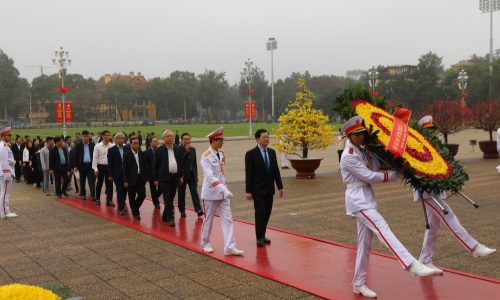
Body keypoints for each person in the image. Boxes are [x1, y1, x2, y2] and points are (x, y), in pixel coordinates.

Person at [340, 116, 437, 298]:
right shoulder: (348, 156)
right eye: (358, 135)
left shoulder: (361, 150)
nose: (362, 137)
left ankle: (358, 283)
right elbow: (369, 176)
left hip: (366, 199)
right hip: (358, 201)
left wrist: (376, 152)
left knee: (365, 245)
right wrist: (394, 174)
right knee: (382, 228)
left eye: (362, 134)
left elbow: (374, 167)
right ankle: (409, 263)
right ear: (349, 136)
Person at [412, 116, 496, 274]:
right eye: (427, 131)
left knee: (433, 229)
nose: (431, 134)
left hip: (435, 191)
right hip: (427, 193)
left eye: (432, 130)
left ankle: (424, 260)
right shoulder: (417, 149)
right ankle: (474, 247)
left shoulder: (434, 148)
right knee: (449, 216)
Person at [200, 127, 244, 256]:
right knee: (208, 220)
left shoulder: (222, 153)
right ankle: (205, 243)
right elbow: (210, 176)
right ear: (213, 140)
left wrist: (225, 189)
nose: (222, 142)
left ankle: (230, 246)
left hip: (224, 192)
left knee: (228, 219)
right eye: (220, 140)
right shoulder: (205, 156)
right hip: (211, 193)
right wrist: (223, 189)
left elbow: (221, 173)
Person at [245, 129, 284, 247]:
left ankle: (263, 233)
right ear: (257, 139)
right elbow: (249, 174)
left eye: (267, 137)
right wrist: (249, 191)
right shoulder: (251, 154)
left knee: (267, 212)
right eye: (264, 137)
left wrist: (280, 187)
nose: (266, 139)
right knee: (260, 212)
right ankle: (259, 237)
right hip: (257, 190)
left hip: (269, 189)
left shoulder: (272, 152)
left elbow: (276, 171)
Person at [152, 130, 183, 227]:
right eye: (168, 136)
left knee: (172, 196)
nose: (170, 138)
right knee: (167, 197)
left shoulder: (177, 149)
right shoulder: (159, 150)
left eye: (171, 136)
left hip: (175, 177)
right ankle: (170, 218)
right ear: (163, 139)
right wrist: (156, 179)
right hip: (164, 178)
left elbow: (180, 164)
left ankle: (165, 215)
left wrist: (181, 176)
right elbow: (155, 166)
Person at [178, 133, 204, 218]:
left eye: (188, 139)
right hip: (182, 175)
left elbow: (194, 163)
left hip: (192, 175)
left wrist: (196, 174)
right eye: (185, 139)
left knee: (194, 192)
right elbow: (180, 161)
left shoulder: (193, 149)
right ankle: (182, 210)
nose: (187, 140)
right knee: (181, 193)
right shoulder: (178, 149)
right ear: (181, 140)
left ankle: (198, 209)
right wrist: (187, 151)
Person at [123, 138, 147, 220]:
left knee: (142, 195)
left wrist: (146, 177)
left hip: (140, 178)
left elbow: (144, 166)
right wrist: (125, 180)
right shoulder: (127, 155)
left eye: (137, 143)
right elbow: (125, 169)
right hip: (131, 179)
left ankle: (134, 208)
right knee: (131, 196)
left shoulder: (142, 154)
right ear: (130, 144)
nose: (136, 145)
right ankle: (136, 213)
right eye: (134, 144)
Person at [108, 133, 129, 215]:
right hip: (117, 174)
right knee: (120, 190)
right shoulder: (111, 150)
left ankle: (122, 204)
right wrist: (110, 175)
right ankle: (121, 207)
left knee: (124, 190)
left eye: (122, 138)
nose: (121, 140)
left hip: (126, 174)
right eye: (119, 138)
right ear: (115, 140)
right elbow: (110, 164)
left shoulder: (127, 148)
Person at [92, 130, 115, 206]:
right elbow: (95, 158)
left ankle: (109, 200)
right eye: (106, 135)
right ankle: (98, 198)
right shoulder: (97, 146)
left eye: (109, 135)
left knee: (110, 184)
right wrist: (95, 169)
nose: (108, 137)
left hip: (109, 167)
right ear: (102, 136)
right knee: (99, 183)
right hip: (100, 166)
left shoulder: (112, 146)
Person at [72, 130, 96, 201]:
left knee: (92, 180)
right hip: (82, 166)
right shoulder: (78, 146)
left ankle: (93, 194)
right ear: (82, 137)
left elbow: (95, 156)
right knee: (82, 181)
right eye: (85, 136)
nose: (86, 138)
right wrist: (75, 166)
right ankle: (83, 194)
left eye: (87, 136)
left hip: (90, 166)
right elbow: (75, 156)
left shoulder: (92, 145)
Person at [0, 127, 17, 218]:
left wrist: (12, 162)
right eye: (8, 135)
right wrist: (7, 173)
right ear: (3, 136)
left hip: (5, 171)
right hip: (5, 172)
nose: (10, 136)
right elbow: (3, 161)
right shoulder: (3, 147)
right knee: (5, 193)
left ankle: (5, 211)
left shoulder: (4, 145)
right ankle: (5, 212)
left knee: (5, 193)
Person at [145, 136, 161, 209]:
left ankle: (154, 197)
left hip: (160, 174)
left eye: (157, 141)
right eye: (154, 142)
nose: (156, 143)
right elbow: (145, 165)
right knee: (153, 189)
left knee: (161, 188)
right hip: (151, 174)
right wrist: (147, 177)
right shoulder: (147, 152)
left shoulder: (160, 151)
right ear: (150, 143)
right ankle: (156, 203)